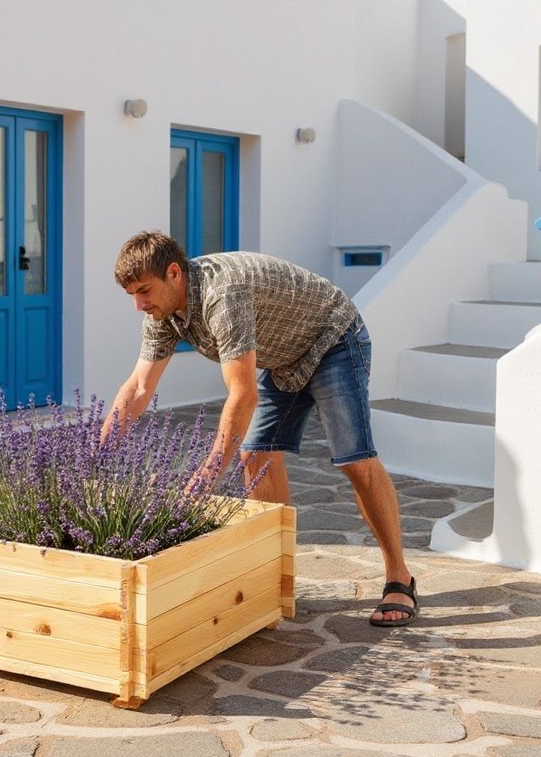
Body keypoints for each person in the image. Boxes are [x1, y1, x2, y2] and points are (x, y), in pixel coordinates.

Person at [104, 231, 417, 627]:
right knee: (257, 457)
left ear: (173, 274)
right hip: (283, 358)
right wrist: (99, 455)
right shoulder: (162, 313)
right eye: (132, 294)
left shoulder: (223, 294)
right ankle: (276, 578)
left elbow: (242, 394)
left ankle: (398, 576)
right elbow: (138, 387)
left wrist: (209, 473)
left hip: (332, 340)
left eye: (144, 291)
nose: (138, 304)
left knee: (354, 460)